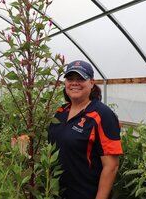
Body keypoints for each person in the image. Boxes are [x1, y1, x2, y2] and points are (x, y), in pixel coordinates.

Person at [48, 60, 123, 199]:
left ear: (92, 82)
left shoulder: (102, 115)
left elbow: (111, 166)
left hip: (85, 194)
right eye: (70, 78)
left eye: (81, 78)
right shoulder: (60, 112)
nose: (74, 83)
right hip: (54, 192)